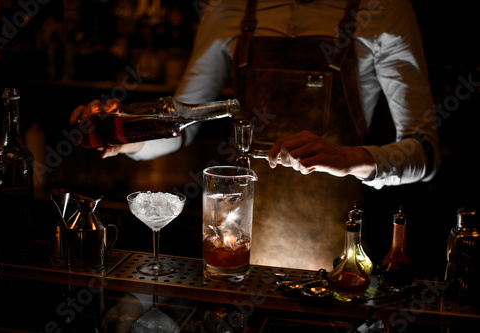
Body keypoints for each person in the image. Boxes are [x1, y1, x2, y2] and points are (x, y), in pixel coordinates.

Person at [71, 0, 440, 270]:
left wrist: (350, 158)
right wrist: (129, 139)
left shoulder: (384, 10)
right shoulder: (227, 9)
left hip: (343, 255)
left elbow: (425, 154)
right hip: (240, 248)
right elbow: (182, 126)